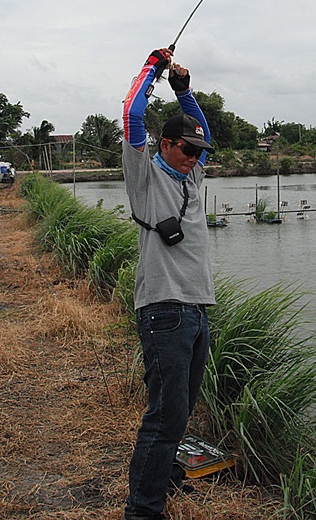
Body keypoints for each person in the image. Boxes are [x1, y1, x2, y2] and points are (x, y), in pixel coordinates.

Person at [121, 48, 216, 520]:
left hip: (197, 308)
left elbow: (204, 132)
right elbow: (131, 112)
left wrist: (184, 90)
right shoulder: (144, 174)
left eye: (198, 152)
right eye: (186, 148)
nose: (194, 156)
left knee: (179, 410)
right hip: (165, 308)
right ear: (163, 144)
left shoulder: (191, 173)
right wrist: (154, 67)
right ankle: (143, 510)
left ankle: (165, 481)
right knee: (163, 416)